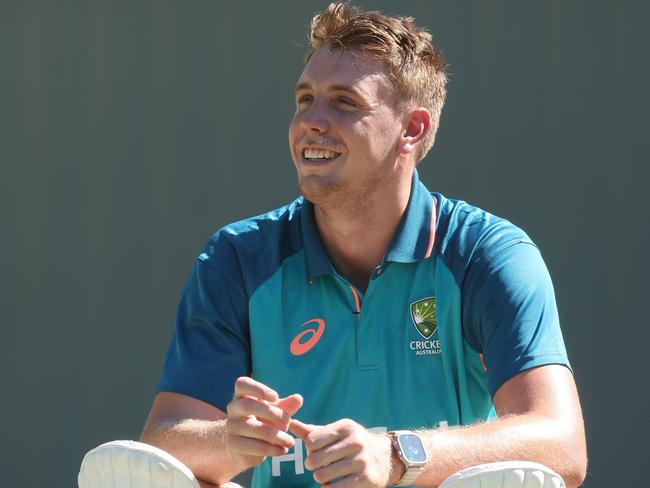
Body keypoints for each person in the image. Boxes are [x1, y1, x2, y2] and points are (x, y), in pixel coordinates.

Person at [140, 3, 587, 487]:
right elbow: (162, 444)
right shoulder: (237, 257)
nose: (311, 120)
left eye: (344, 102)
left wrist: (397, 454)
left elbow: (561, 443)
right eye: (304, 98)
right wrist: (228, 440)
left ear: (411, 129)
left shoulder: (486, 253)